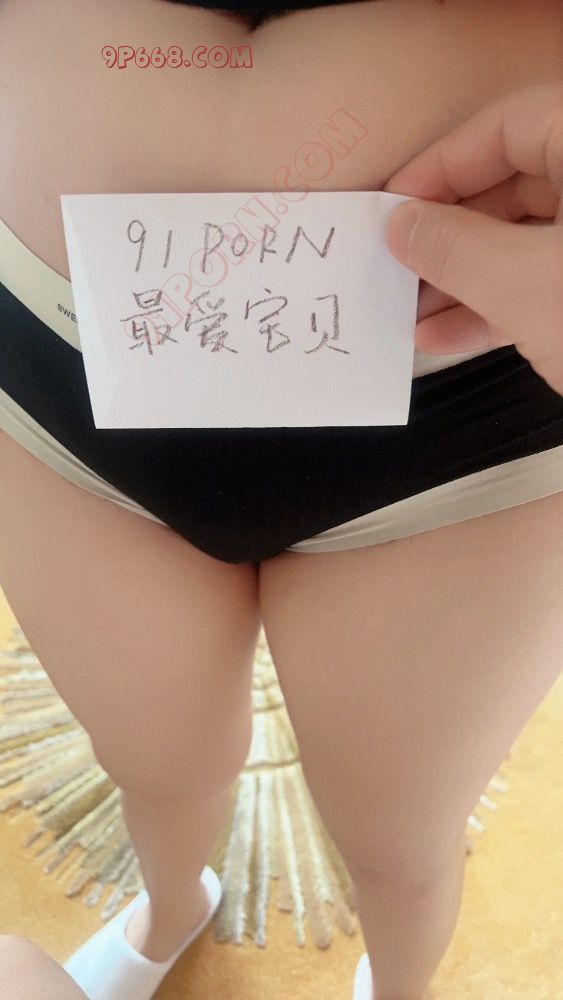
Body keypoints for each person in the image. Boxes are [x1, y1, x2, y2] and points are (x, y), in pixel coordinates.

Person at [0, 2, 561, 999]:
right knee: (153, 765)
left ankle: (398, 989)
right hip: (59, 351)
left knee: (400, 841)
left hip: (480, 387)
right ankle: (171, 909)